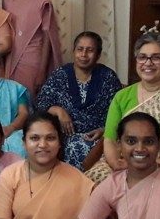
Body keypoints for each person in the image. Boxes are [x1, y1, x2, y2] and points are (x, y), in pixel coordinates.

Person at [85, 32, 160, 184]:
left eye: (156, 57)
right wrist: (116, 163)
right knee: (92, 183)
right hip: (120, 166)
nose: (148, 63)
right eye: (142, 57)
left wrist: (152, 166)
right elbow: (109, 139)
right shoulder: (122, 96)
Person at [35, 31, 123, 170]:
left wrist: (103, 130)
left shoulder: (108, 78)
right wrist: (58, 111)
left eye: (90, 50)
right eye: (80, 49)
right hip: (64, 136)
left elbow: (120, 113)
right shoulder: (60, 75)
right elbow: (41, 104)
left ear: (98, 55)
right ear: (73, 51)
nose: (83, 55)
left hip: (99, 140)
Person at [3, 0, 61, 97]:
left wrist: (42, 71)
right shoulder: (6, 0)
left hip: (32, 60)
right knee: (10, 102)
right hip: (9, 59)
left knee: (28, 102)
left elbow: (48, 36)